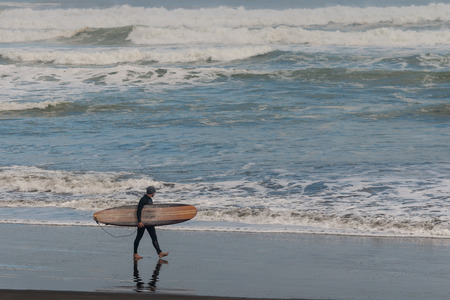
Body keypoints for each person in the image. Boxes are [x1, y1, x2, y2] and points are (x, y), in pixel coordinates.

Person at [133, 186, 168, 260]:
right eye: (154, 192)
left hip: (149, 222)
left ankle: (160, 253)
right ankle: (135, 254)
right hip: (142, 223)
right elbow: (139, 210)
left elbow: (150, 211)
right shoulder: (143, 199)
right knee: (138, 238)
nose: (154, 194)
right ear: (152, 193)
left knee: (154, 237)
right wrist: (139, 221)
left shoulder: (149, 199)